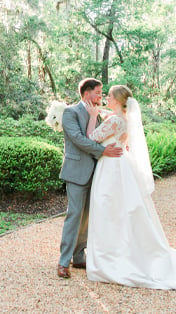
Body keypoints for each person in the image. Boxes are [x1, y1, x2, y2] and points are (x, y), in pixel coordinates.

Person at [84, 85, 176, 290]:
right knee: (123, 209)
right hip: (124, 164)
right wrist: (101, 114)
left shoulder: (114, 120)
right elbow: (121, 136)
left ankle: (112, 255)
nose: (107, 99)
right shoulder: (126, 119)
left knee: (109, 208)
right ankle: (124, 249)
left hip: (111, 166)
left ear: (119, 100)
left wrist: (92, 117)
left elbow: (91, 138)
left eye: (110, 96)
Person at [57, 78, 123, 279]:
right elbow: (79, 140)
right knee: (74, 215)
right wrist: (103, 151)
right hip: (76, 172)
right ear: (86, 93)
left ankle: (78, 256)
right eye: (97, 93)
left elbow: (105, 133)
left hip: (96, 172)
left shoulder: (98, 114)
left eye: (102, 93)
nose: (100, 97)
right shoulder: (70, 113)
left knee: (86, 217)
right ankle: (63, 262)